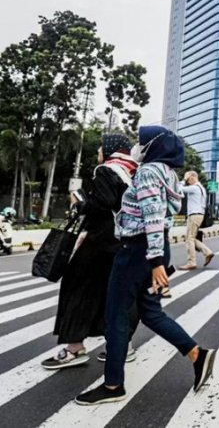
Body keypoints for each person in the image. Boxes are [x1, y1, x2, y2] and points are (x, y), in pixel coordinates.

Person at [75, 126, 215, 405]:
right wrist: (156, 257)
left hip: (137, 250)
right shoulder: (170, 174)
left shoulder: (150, 171)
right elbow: (162, 215)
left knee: (115, 315)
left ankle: (113, 385)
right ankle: (196, 355)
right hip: (151, 246)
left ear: (154, 146)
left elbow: (152, 215)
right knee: (150, 313)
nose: (137, 147)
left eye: (141, 142)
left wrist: (155, 262)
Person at [42, 134, 140, 370]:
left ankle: (75, 348)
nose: (98, 151)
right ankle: (120, 345)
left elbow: (103, 203)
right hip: (123, 242)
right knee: (116, 294)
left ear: (109, 149)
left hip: (99, 243)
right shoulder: (133, 171)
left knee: (76, 288)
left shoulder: (106, 170)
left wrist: (80, 202)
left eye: (100, 147)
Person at [179, 171, 214, 270]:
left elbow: (178, 189)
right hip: (199, 215)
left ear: (193, 177)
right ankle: (207, 252)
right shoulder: (202, 188)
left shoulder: (195, 188)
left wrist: (183, 180)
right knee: (192, 238)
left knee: (189, 239)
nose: (188, 181)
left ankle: (191, 262)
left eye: (188, 179)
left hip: (194, 215)